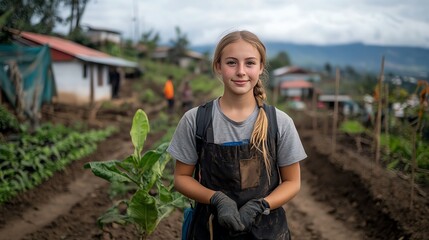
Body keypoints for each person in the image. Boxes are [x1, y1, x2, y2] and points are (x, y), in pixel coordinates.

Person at [168, 30, 307, 239]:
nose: (241, 71)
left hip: (267, 231)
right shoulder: (196, 120)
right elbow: (181, 178)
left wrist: (261, 205)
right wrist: (216, 199)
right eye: (231, 63)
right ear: (218, 66)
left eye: (250, 63)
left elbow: (292, 182)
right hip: (211, 230)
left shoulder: (280, 123)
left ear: (260, 67)